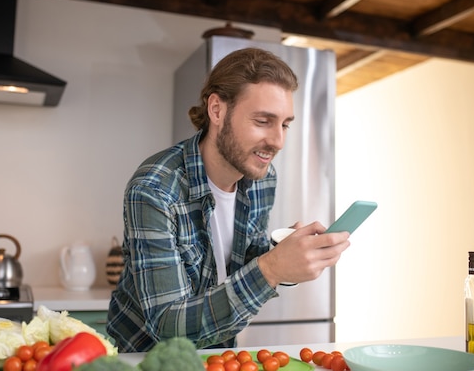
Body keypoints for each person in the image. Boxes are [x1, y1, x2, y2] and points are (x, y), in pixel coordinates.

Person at [107, 47, 351, 352]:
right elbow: (168, 328)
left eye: (285, 124)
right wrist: (272, 268)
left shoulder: (262, 178)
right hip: (142, 365)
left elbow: (239, 262)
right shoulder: (155, 189)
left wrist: (285, 254)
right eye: (263, 121)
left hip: (219, 354)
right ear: (217, 110)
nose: (277, 141)